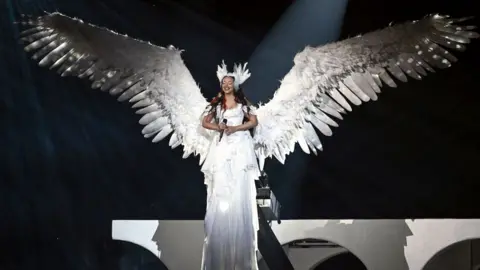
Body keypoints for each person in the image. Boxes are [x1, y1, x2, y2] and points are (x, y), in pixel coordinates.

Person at [200, 75, 261, 270]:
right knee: (222, 186)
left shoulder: (243, 103)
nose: (226, 85)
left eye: (229, 82)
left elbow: (253, 121)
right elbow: (204, 122)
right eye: (223, 83)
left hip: (240, 143)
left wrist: (236, 128)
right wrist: (218, 126)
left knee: (238, 185)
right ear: (221, 85)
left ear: (234, 85)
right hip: (224, 144)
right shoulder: (216, 104)